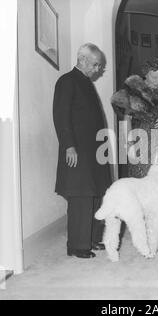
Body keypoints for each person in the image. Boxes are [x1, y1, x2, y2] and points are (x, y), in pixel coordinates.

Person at [53, 43, 112, 259]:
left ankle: (92, 239)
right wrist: (68, 145)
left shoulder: (86, 83)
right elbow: (61, 116)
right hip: (77, 150)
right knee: (81, 196)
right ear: (83, 60)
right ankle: (77, 245)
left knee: (97, 194)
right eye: (95, 65)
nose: (97, 69)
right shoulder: (67, 81)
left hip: (94, 152)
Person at [111, 57, 158, 178]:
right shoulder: (135, 90)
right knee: (141, 176)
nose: (157, 81)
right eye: (154, 77)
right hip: (140, 136)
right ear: (145, 74)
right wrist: (129, 143)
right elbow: (126, 118)